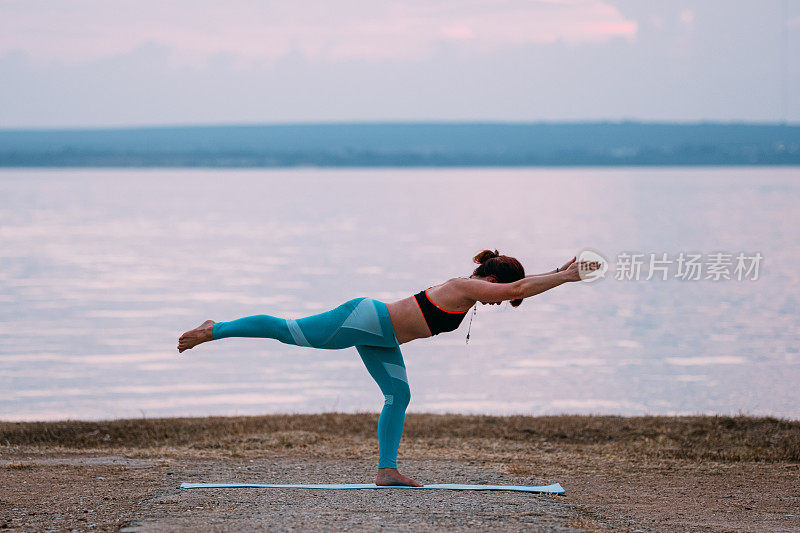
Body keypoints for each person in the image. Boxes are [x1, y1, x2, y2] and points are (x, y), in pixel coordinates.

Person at [177, 249, 599, 487]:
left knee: (400, 394)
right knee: (290, 331)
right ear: (487, 276)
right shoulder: (463, 285)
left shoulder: (474, 292)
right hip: (365, 318)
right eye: (498, 292)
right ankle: (215, 329)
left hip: (383, 336)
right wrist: (567, 278)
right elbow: (521, 286)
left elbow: (522, 286)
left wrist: (561, 271)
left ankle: (386, 470)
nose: (497, 300)